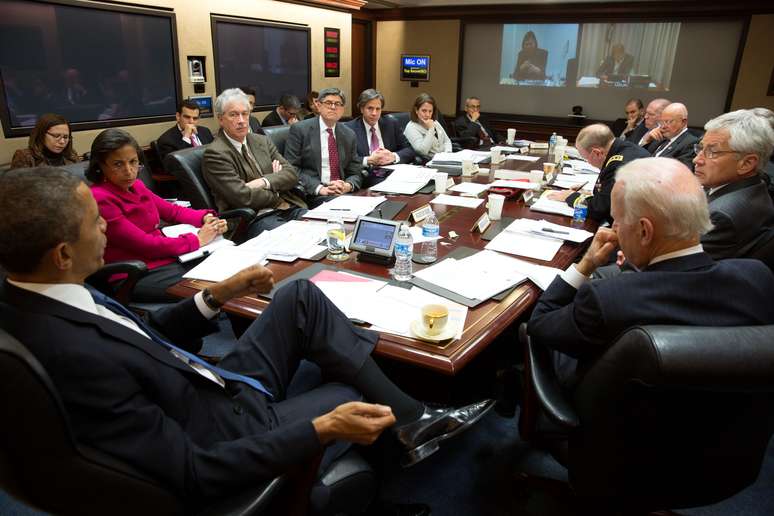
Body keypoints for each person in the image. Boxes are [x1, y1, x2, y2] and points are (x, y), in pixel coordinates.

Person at [0, 166, 494, 504]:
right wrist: (320, 429)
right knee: (347, 391)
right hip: (224, 428)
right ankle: (371, 470)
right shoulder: (70, 355)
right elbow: (191, 470)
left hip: (205, 383)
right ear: (63, 254)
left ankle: (413, 420)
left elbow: (143, 332)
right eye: (95, 222)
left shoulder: (51, 292)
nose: (106, 227)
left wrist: (216, 295)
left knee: (298, 298)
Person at [529, 157, 774, 389]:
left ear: (645, 231)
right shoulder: (757, 277)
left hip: (614, 422)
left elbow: (540, 323)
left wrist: (586, 264)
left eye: (616, 220)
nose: (614, 229)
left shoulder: (607, 297)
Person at [88, 129, 227, 302]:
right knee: (214, 290)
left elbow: (173, 211)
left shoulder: (137, 185)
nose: (129, 170)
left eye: (133, 162)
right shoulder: (100, 198)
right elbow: (146, 245)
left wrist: (206, 218)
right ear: (100, 166)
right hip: (135, 273)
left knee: (227, 271)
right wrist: (197, 239)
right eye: (118, 164)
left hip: (168, 258)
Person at [202, 88, 307, 238]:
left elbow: (291, 174)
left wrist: (263, 181)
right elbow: (242, 196)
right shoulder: (215, 154)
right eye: (233, 115)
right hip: (252, 219)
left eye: (245, 114)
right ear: (220, 119)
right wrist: (276, 190)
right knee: (295, 239)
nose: (241, 120)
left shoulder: (261, 140)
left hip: (288, 207)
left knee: (322, 228)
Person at [693, 109, 774, 259]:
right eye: (700, 148)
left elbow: (679, 266)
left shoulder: (721, 216)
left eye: (712, 152)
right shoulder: (755, 186)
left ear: (747, 163)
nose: (697, 160)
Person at [547, 123, 649, 224]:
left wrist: (570, 196)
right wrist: (586, 193)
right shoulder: (624, 148)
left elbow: (600, 209)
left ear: (597, 153)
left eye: (586, 158)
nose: (588, 162)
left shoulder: (618, 166)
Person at [285, 87, 363, 204]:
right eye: (328, 103)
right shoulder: (300, 130)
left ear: (342, 109)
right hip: (314, 192)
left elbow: (355, 171)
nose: (333, 107)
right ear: (318, 105)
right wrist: (320, 188)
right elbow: (292, 168)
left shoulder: (349, 134)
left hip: (342, 192)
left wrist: (347, 185)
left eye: (337, 104)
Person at [345, 88, 415, 187]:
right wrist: (369, 160)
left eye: (378, 109)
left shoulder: (391, 124)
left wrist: (393, 157)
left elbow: (409, 150)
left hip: (392, 171)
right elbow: (347, 160)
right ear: (361, 109)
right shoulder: (349, 129)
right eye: (370, 108)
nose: (374, 113)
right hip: (367, 175)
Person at [10, 113, 80, 169]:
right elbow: (15, 186)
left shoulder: (71, 154)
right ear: (42, 135)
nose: (62, 141)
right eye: (56, 136)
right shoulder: (25, 157)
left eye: (65, 137)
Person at [642, 102, 698, 169]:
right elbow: (641, 157)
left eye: (668, 122)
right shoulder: (660, 137)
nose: (663, 126)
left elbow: (680, 172)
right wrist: (647, 141)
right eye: (661, 122)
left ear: (683, 122)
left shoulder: (690, 143)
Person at [403, 93, 452, 162]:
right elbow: (422, 151)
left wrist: (448, 154)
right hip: (430, 162)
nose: (427, 115)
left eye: (430, 111)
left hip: (445, 159)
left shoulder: (435, 122)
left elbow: (447, 140)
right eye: (424, 111)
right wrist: (431, 129)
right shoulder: (411, 127)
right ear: (416, 110)